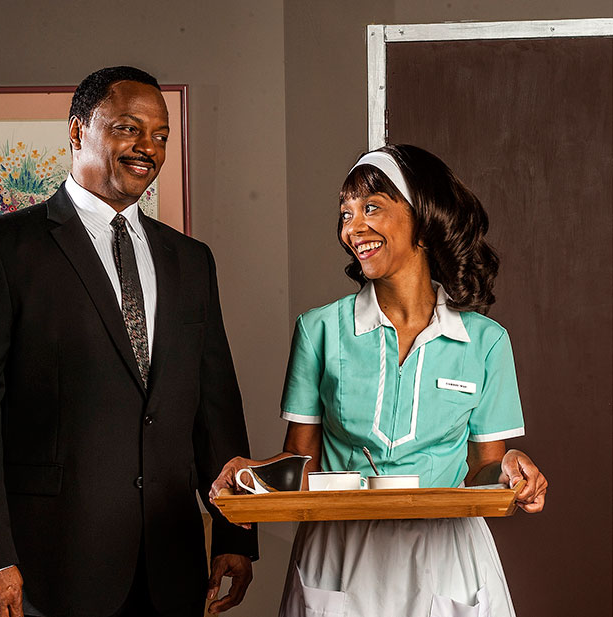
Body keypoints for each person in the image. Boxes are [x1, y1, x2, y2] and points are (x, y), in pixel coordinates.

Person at [0, 66, 257, 617]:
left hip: (171, 560)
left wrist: (234, 535)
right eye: (129, 128)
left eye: (160, 135)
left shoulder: (191, 260)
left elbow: (213, 403)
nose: (147, 147)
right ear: (78, 129)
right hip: (47, 564)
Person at [211, 144, 548, 616]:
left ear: (424, 220)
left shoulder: (486, 342)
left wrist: (512, 466)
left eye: (371, 208)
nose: (353, 228)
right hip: (341, 555)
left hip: (447, 557)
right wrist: (252, 475)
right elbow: (300, 463)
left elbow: (483, 474)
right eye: (345, 213)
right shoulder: (320, 330)